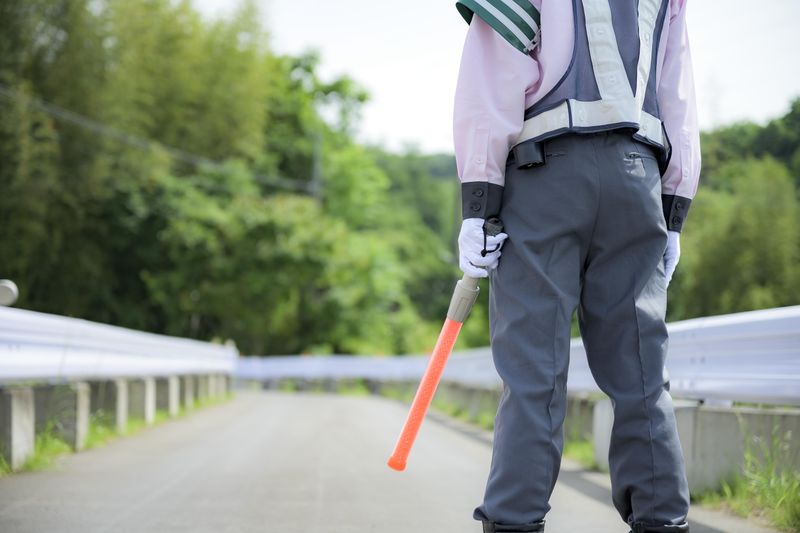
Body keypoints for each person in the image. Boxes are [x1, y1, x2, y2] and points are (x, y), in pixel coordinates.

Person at [453, 0, 700, 532]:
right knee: (641, 375)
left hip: (544, 178)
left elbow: (493, 79)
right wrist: (675, 208)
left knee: (533, 376)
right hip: (638, 178)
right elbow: (676, 93)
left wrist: (478, 203)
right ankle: (662, 520)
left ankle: (514, 521)